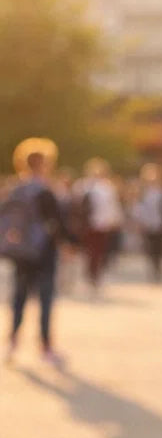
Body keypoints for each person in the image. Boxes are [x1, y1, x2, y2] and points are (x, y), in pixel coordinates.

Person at [3, 138, 69, 366]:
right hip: (43, 250)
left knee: (19, 296)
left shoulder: (16, 189)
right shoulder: (44, 190)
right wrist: (67, 243)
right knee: (45, 298)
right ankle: (45, 346)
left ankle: (12, 341)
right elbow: (56, 222)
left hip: (21, 251)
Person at [76, 158, 123, 295]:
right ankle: (92, 274)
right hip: (94, 224)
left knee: (96, 251)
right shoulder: (88, 186)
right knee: (94, 251)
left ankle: (93, 274)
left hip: (99, 224)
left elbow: (112, 207)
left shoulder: (101, 187)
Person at [131, 163, 162, 282]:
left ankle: (159, 267)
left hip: (160, 224)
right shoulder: (143, 191)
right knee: (150, 248)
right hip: (147, 224)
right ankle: (153, 269)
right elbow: (138, 208)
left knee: (160, 248)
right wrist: (139, 222)